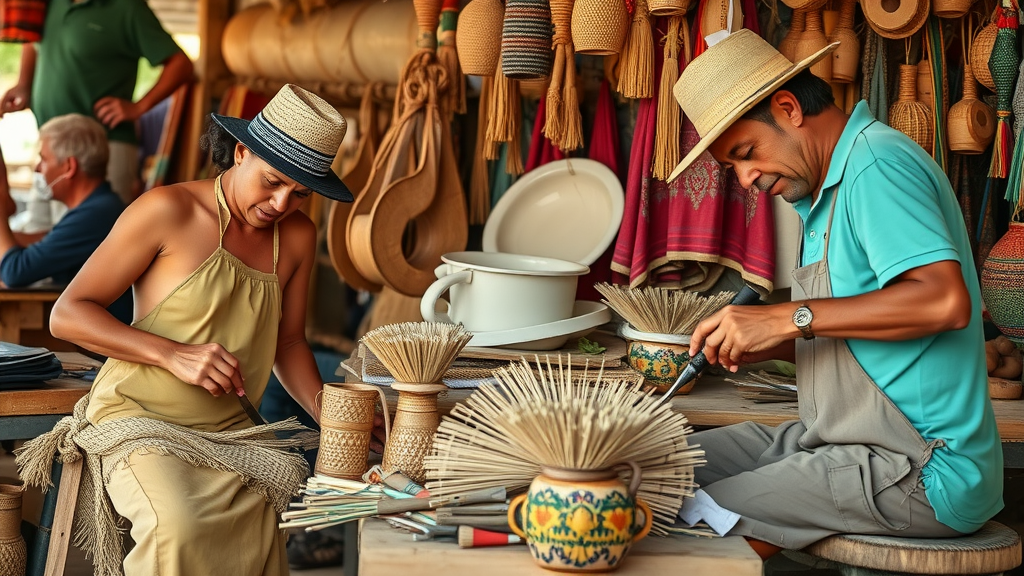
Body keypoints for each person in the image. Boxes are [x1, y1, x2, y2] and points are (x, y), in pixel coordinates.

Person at [667, 30, 1003, 555]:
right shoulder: (820, 195)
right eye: (733, 166)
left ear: (788, 108)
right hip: (846, 438)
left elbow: (944, 301)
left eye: (747, 152)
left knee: (691, 518)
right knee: (659, 462)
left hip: (922, 465)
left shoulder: (875, 165)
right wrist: (751, 342)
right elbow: (853, 332)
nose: (747, 176)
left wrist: (784, 318)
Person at [16, 84, 353, 576]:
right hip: (139, 420)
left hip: (232, 433)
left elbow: (289, 341)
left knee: (261, 524)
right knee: (179, 524)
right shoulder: (167, 210)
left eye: (300, 193)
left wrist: (334, 417)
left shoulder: (298, 236)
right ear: (241, 151)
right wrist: (173, 354)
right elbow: (68, 314)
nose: (282, 203)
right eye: (272, 182)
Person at [0, 0, 194, 203]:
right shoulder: (49, 4)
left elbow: (180, 64)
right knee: (40, 230)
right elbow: (32, 40)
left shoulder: (127, 8)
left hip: (103, 151)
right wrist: (24, 82)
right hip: (49, 148)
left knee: (102, 233)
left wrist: (140, 107)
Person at [0, 114, 132, 324]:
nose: (37, 168)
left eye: (43, 159)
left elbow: (15, 273)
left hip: (101, 352)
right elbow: (45, 243)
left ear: (69, 167)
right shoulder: (100, 206)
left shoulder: (96, 214)